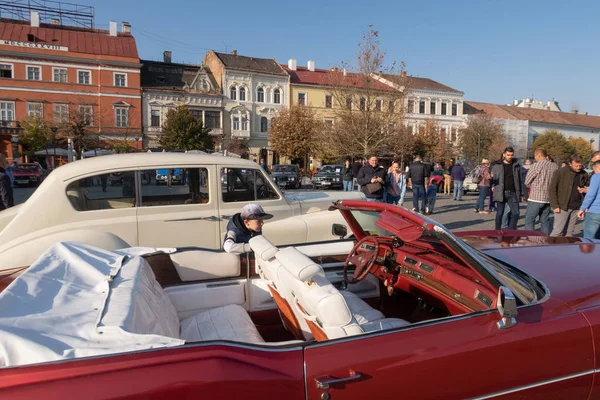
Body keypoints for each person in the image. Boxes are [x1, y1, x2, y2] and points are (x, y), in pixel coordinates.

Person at [549, 153, 589, 237]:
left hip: (576, 207)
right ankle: (550, 248)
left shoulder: (584, 174)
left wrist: (585, 204)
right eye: (576, 166)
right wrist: (554, 205)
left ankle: (565, 249)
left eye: (580, 166)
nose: (578, 168)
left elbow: (588, 189)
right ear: (570, 163)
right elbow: (552, 189)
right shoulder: (560, 172)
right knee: (557, 231)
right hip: (562, 206)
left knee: (569, 233)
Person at [524, 148, 558, 235]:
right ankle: (544, 240)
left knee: (530, 220)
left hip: (536, 197)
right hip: (548, 198)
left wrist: (533, 187)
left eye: (535, 156)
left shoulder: (536, 166)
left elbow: (527, 181)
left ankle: (530, 239)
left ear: (538, 155)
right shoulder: (554, 166)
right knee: (545, 221)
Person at [491, 147, 523, 230]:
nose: (510, 157)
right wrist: (492, 184)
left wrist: (521, 193)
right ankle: (497, 232)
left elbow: (520, 179)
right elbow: (492, 179)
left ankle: (511, 231)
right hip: (500, 192)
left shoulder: (516, 165)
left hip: (513, 192)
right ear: (504, 154)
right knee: (500, 213)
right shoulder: (497, 165)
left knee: (516, 213)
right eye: (508, 155)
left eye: (511, 155)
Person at [578, 160, 600, 239]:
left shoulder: (596, 176)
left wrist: (582, 208)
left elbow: (591, 195)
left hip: (595, 211)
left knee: (589, 240)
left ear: (597, 167)